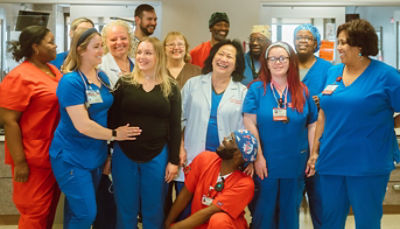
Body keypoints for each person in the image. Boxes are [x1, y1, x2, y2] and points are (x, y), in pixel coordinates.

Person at [312, 19, 400, 229]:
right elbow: (323, 112)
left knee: (367, 221)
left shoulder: (386, 76)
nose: (338, 47)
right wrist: (315, 151)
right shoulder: (333, 73)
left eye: (344, 43)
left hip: (368, 161)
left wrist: (386, 125)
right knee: (330, 221)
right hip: (331, 159)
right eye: (338, 41)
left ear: (360, 46)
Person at [49, 28, 140, 229]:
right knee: (86, 213)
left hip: (95, 156)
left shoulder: (102, 78)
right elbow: (83, 125)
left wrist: (108, 153)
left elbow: (106, 115)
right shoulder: (71, 82)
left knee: (76, 211)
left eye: (101, 46)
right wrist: (116, 135)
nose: (101, 51)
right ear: (81, 50)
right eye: (96, 47)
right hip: (71, 157)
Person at [243, 41, 318, 229]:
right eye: (273, 58)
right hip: (265, 163)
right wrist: (258, 157)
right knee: (263, 212)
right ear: (266, 63)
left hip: (295, 162)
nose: (278, 62)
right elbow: (249, 122)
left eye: (282, 58)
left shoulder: (302, 90)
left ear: (291, 61)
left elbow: (312, 124)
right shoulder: (256, 89)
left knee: (290, 212)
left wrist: (313, 155)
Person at [108, 37, 181, 229]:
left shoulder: (171, 87)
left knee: (154, 208)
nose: (142, 57)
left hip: (157, 155)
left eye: (148, 53)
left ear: (158, 57)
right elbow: (111, 120)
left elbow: (175, 126)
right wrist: (110, 147)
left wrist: (174, 161)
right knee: (125, 208)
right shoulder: (124, 83)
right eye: (139, 52)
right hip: (124, 154)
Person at [177, 39, 247, 220]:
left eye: (229, 56)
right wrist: (180, 147)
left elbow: (243, 130)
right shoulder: (193, 85)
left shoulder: (241, 92)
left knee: (212, 214)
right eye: (220, 54)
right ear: (212, 57)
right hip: (192, 157)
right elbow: (178, 120)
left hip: (223, 163)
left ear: (236, 64)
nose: (224, 59)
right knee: (185, 210)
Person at [0, 25, 61, 229]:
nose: (56, 46)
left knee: (48, 211)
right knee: (34, 213)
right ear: (35, 47)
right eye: (51, 42)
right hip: (32, 158)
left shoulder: (53, 70)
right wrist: (20, 162)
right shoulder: (19, 77)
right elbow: (9, 121)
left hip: (54, 154)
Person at [165, 129, 258, 229]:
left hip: (222, 226)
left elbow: (209, 212)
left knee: (219, 220)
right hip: (198, 225)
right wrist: (167, 224)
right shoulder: (205, 158)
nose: (224, 139)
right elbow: (184, 195)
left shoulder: (245, 184)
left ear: (238, 155)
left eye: (231, 140)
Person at [293, 23, 332, 229]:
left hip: (320, 141)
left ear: (316, 43)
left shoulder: (328, 68)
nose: (303, 41)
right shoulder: (287, 66)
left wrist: (323, 102)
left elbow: (336, 97)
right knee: (291, 203)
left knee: (320, 199)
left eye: (308, 38)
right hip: (291, 141)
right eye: (299, 37)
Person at [100, 19, 135, 88]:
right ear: (105, 42)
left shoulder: (137, 63)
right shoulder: (100, 66)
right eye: (113, 39)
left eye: (123, 38)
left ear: (130, 39)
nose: (119, 42)